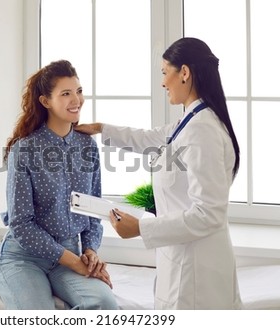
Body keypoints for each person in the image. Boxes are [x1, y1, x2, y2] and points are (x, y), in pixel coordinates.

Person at [75, 37, 242, 310]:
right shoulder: (191, 119)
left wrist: (141, 227)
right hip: (183, 259)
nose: (163, 82)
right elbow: (151, 138)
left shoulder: (203, 130)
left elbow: (208, 214)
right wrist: (101, 128)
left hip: (196, 272)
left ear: (184, 73)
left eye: (165, 73)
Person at [0, 60, 118, 310]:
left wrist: (91, 252)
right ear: (46, 101)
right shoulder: (25, 150)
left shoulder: (87, 146)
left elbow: (94, 209)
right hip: (24, 258)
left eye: (79, 91)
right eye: (66, 94)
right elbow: (21, 224)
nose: (77, 100)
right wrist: (74, 262)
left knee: (104, 303)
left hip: (70, 254)